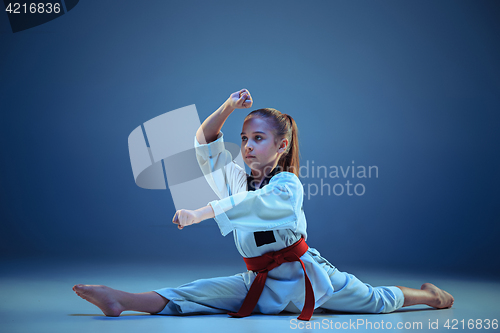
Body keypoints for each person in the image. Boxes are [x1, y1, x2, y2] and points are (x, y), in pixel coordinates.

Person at [73, 89, 454, 319]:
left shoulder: (288, 185)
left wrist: (199, 213)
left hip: (311, 280)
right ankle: (118, 299)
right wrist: (226, 107)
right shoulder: (237, 175)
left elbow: (248, 205)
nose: (248, 146)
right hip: (260, 281)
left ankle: (430, 296)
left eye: (258, 138)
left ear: (281, 145)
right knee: (196, 292)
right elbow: (203, 145)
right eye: (244, 138)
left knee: (375, 300)